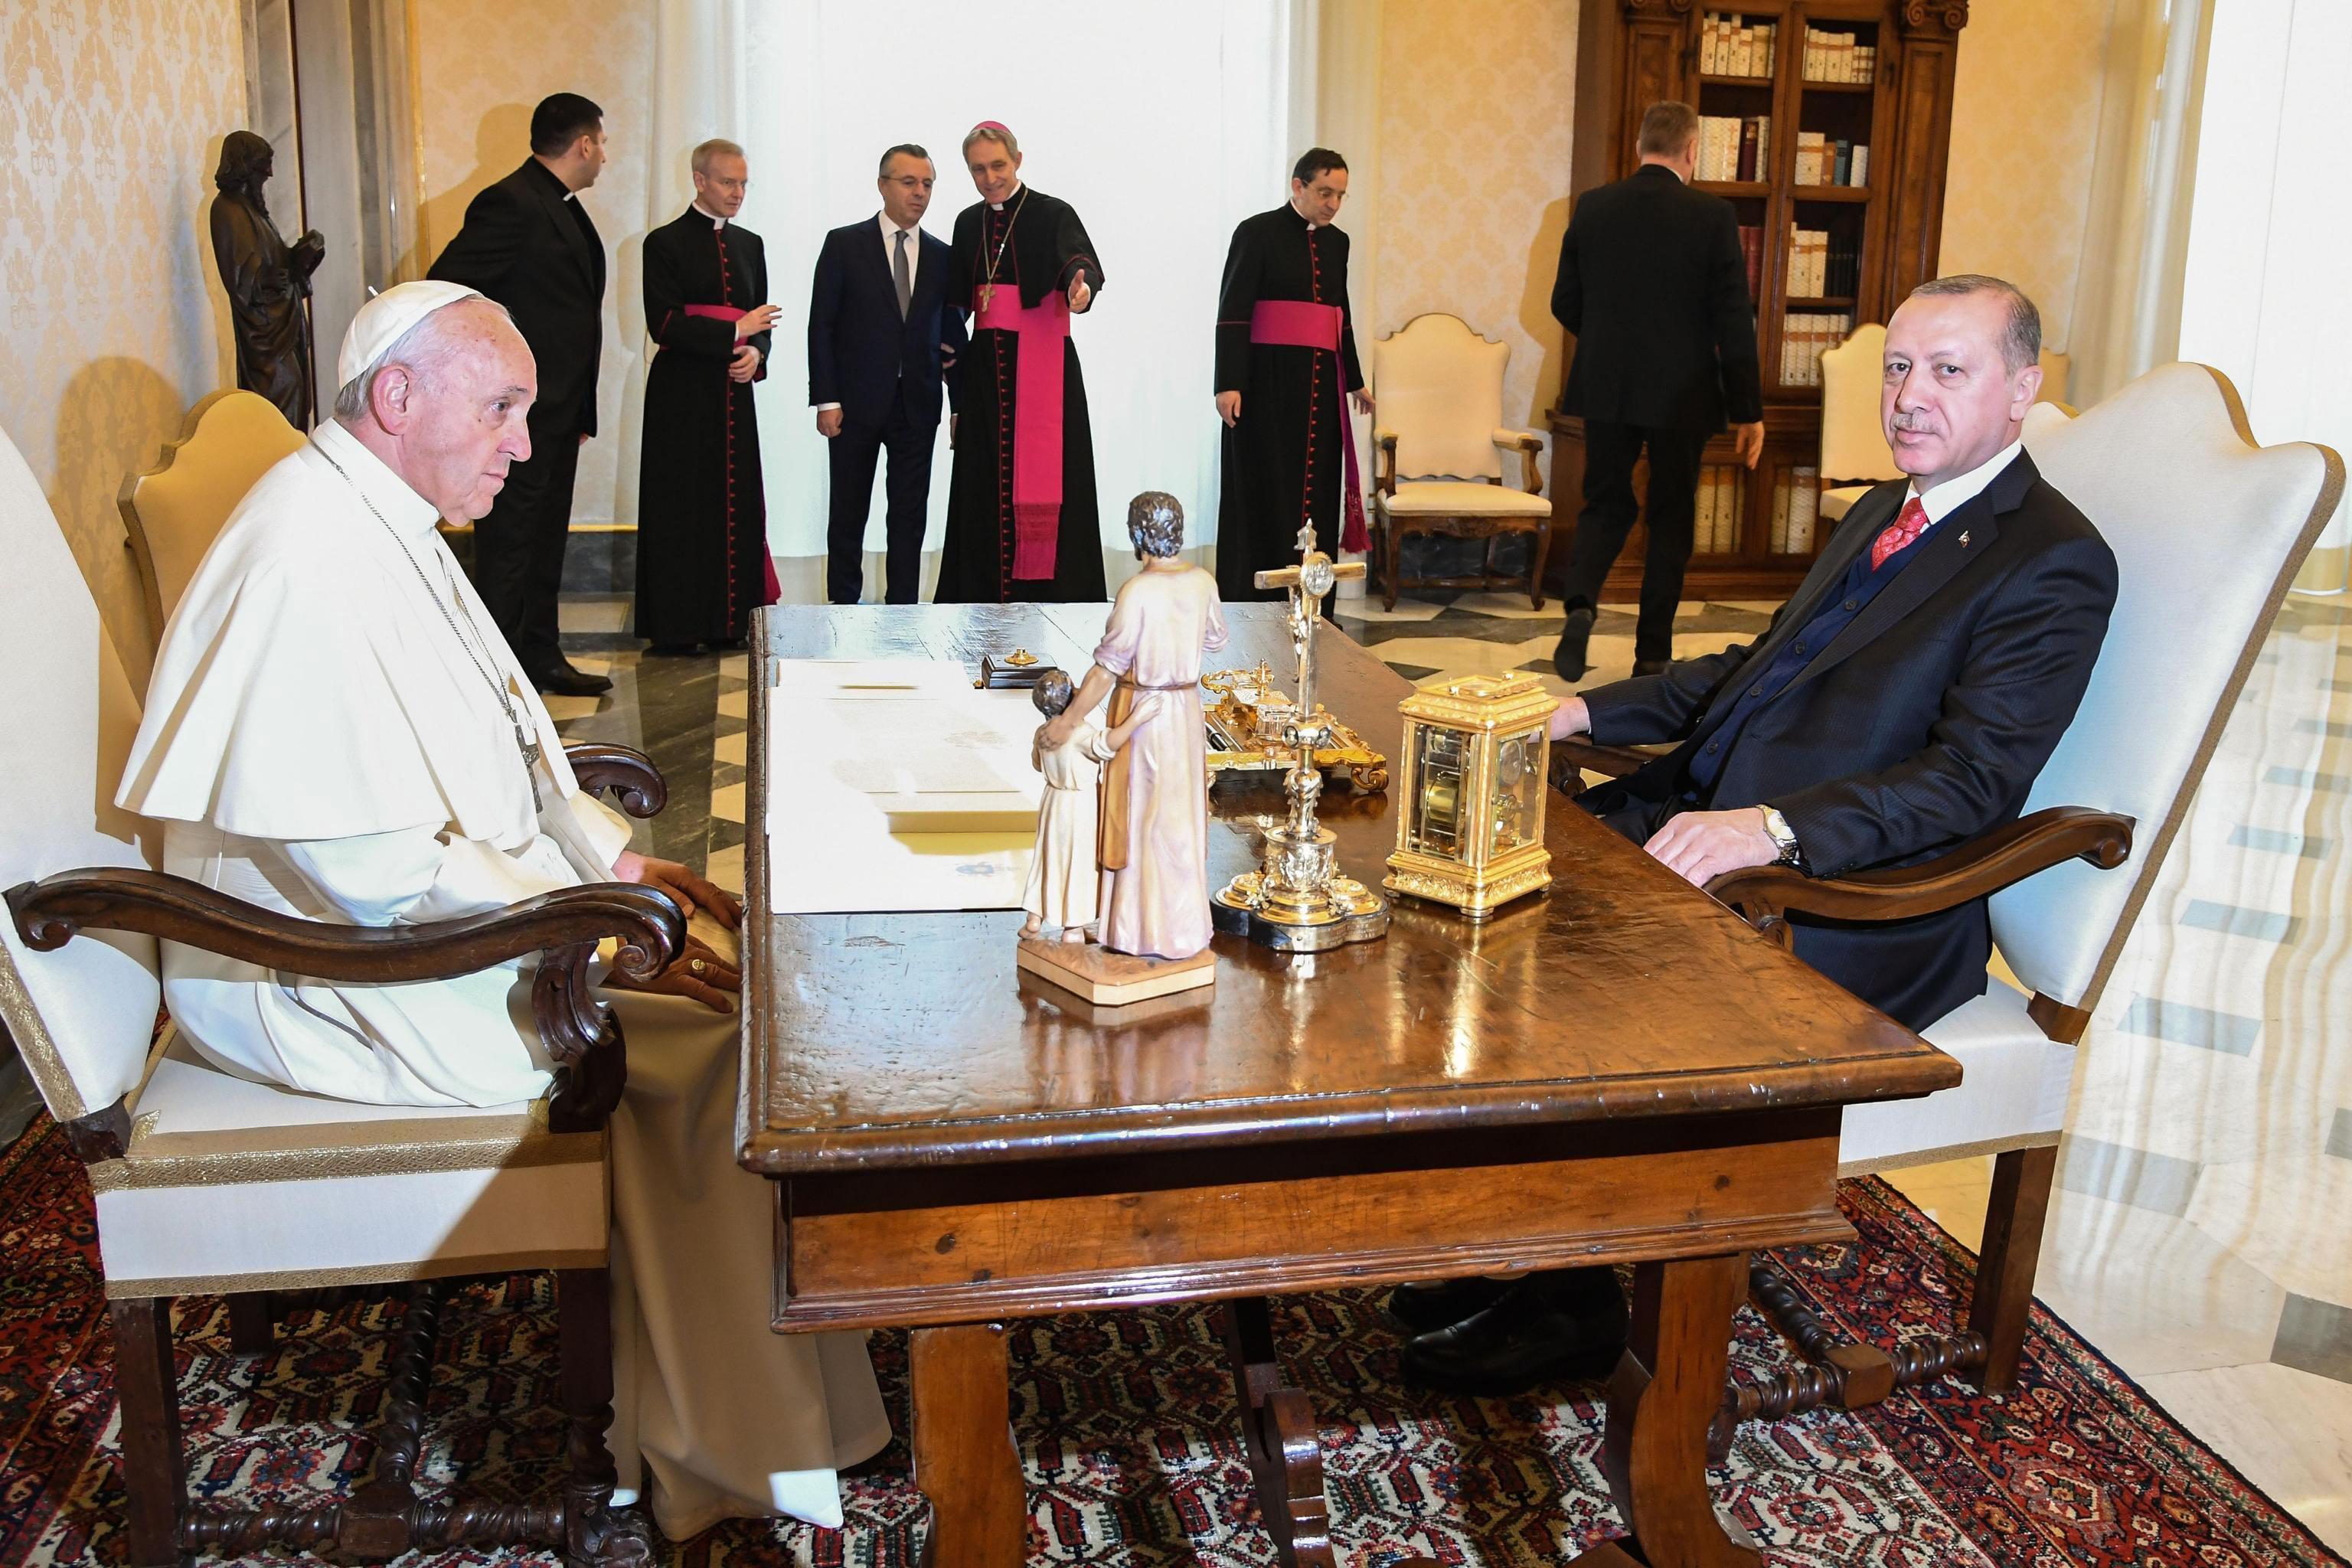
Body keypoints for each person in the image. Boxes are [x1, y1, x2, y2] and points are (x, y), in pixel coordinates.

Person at [113, 282, 890, 1539]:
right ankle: (729, 1449)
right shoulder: (307, 558)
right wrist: (585, 910)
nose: (523, 443)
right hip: (328, 980)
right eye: (503, 408)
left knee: (724, 976)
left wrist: (610, 869)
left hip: (407, 920)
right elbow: (370, 871)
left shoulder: (380, 515)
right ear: (398, 394)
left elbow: (496, 757)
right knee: (702, 1045)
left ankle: (774, 1393)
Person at [1398, 275, 2118, 1396]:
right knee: (1476, 897)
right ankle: (1522, 1240)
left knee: (1576, 972)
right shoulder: (1889, 509)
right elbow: (1754, 673)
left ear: (2023, 390)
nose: (1908, 396)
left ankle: (1575, 1304)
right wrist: (1583, 709)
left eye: (1947, 370)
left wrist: (1774, 830)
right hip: (1711, 828)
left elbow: (1973, 783)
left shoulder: (2053, 560)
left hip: (1859, 902)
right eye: (1897, 367)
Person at [1550, 100, 1765, 681]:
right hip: (1684, 393)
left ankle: (1580, 606)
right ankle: (1652, 654)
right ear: (1691, 150)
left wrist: (1607, 345)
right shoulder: (1712, 215)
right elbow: (1732, 319)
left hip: (1606, 385)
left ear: (1642, 145)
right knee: (1671, 516)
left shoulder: (1594, 207)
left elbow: (1563, 301)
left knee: (1606, 501)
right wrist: (1749, 409)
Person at [429, 92, 612, 697]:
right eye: (602, 144)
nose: (605, 157)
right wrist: (494, 382)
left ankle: (540, 657)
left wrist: (580, 407)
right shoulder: (510, 201)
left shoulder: (557, 203)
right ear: (583, 143)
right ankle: (497, 677)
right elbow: (446, 291)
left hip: (558, 414)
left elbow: (574, 313)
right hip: (517, 415)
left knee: (544, 542)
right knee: (509, 546)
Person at [1039, 493, 1227, 959]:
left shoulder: (1138, 591)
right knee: (1180, 821)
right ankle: (1183, 930)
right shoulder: (1203, 581)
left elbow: (1106, 668)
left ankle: (1138, 929)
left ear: (1138, 534)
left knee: (1143, 820)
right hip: (1184, 711)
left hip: (1142, 714)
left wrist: (1068, 720)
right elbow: (1217, 639)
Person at [936, 122, 1108, 604]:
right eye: (978, 169)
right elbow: (955, 305)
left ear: (1017, 160)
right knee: (983, 484)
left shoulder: (1052, 212)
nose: (989, 178)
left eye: (998, 166)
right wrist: (955, 391)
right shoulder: (968, 223)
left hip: (1045, 370)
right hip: (986, 375)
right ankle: (982, 593)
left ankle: (1058, 594)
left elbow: (1082, 263)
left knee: (1056, 479)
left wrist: (1082, 287)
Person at [635, 138, 779, 653]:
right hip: (682, 396)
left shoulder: (750, 244)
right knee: (683, 505)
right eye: (727, 182)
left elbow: (761, 322)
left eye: (743, 183)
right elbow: (664, 323)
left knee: (735, 503)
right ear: (700, 181)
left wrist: (755, 353)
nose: (738, 192)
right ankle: (678, 625)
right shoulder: (663, 243)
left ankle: (729, 621)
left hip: (734, 396)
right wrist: (733, 332)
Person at [1214, 149, 1372, 606]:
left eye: (1340, 195)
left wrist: (1354, 379)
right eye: (1325, 193)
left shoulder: (1338, 243)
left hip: (1320, 390)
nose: (1333, 204)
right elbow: (1233, 313)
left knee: (1316, 489)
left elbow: (1339, 316)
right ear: (1298, 186)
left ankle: (1313, 605)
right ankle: (1253, 604)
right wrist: (1229, 382)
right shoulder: (1256, 232)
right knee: (1265, 488)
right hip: (1264, 387)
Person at [809, 144, 966, 605]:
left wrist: (961, 406)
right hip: (854, 405)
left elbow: (954, 336)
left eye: (928, 184)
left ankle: (903, 614)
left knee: (909, 517)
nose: (920, 193)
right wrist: (826, 398)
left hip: (917, 407)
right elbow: (822, 324)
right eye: (909, 182)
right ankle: (843, 607)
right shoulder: (844, 244)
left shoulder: (942, 256)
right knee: (848, 512)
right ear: (883, 185)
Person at [1018, 670, 1158, 942]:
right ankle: (1073, 926)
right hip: (1079, 806)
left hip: (1052, 801)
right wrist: (1137, 718)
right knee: (1077, 863)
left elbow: (1037, 764)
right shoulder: (1080, 734)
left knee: (1048, 858)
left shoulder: (1043, 732)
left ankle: (1034, 918)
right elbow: (1110, 743)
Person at [209, 131, 325, 427]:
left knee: (296, 409)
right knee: (277, 416)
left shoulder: (257, 214)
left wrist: (303, 256)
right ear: (245, 166)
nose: (270, 174)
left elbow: (277, 266)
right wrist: (278, 275)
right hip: (264, 341)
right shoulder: (227, 209)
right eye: (264, 166)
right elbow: (242, 282)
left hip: (284, 330)